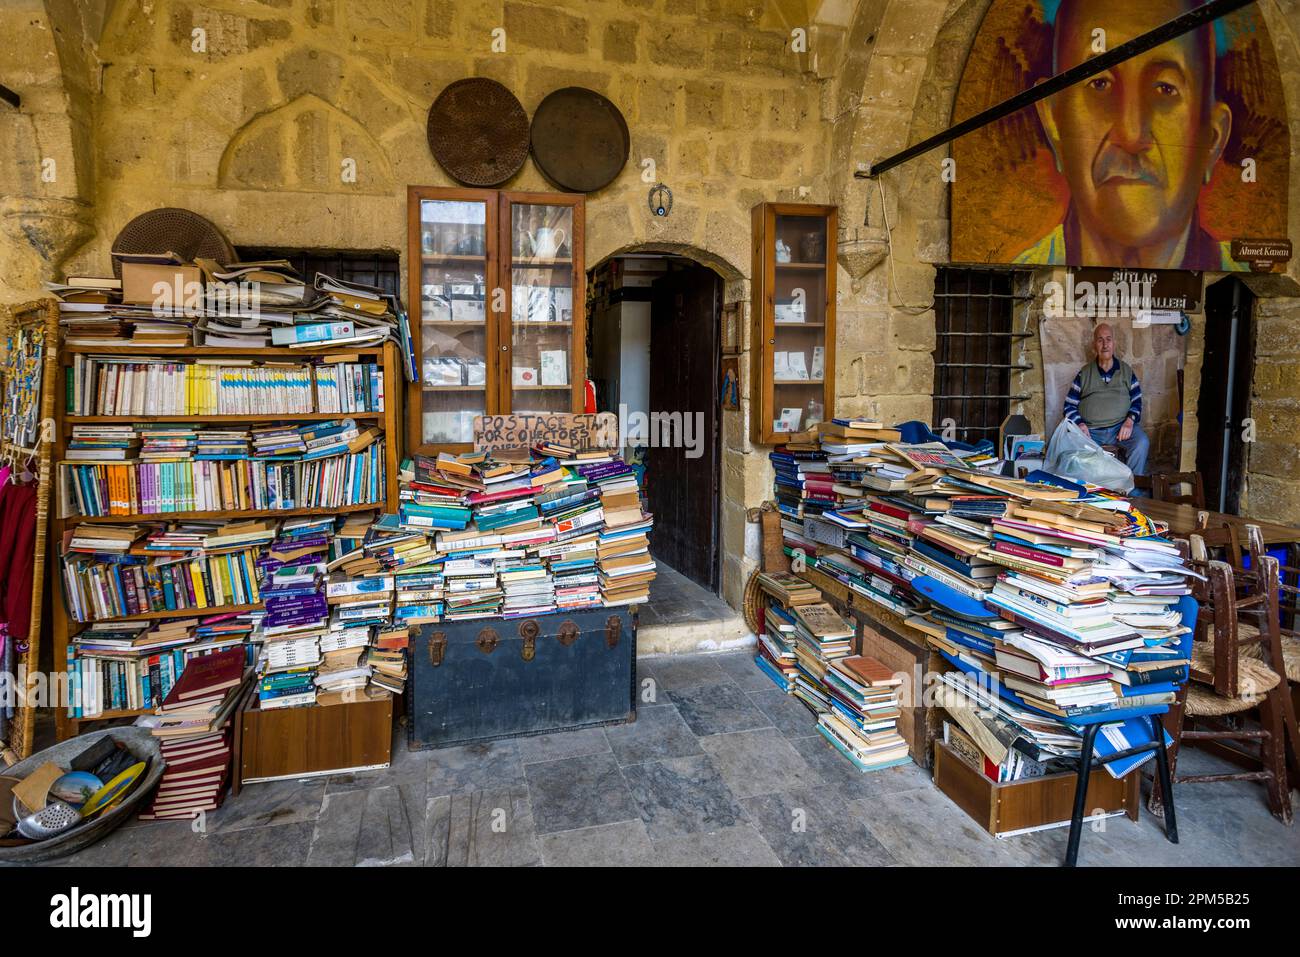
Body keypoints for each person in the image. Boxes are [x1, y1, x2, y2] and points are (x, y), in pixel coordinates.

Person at [1013, 0, 1244, 271]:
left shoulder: (1244, 282)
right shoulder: (1017, 282)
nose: (1132, 135)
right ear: (1053, 120)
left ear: (1213, 139)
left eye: (1165, 89)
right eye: (1099, 83)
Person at [1063, 323, 1148, 477]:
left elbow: (1137, 402)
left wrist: (1129, 421)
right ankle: (1087, 494)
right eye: (1100, 340)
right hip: (1091, 432)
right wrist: (1080, 424)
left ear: (1114, 343)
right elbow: (1069, 405)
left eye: (1108, 339)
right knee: (1067, 447)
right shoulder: (1085, 373)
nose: (1105, 344)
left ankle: (1135, 492)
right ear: (1094, 345)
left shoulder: (1126, 371)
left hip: (1120, 429)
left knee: (1141, 443)